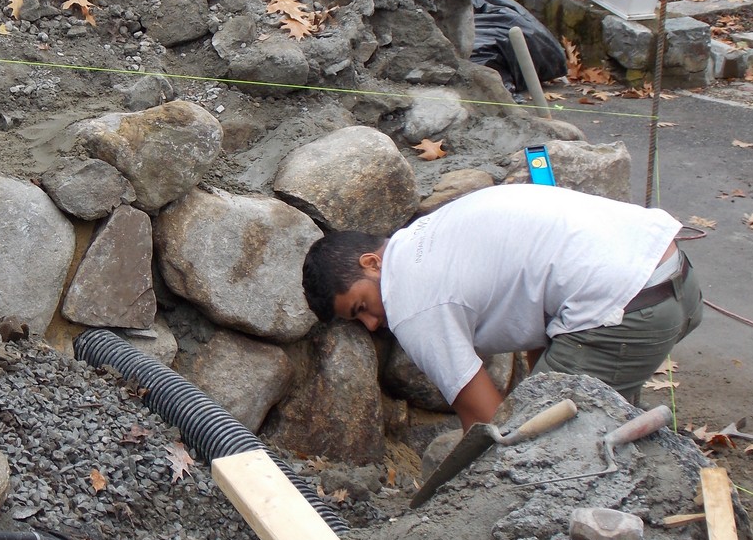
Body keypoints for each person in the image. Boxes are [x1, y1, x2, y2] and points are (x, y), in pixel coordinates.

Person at [301, 184, 703, 430]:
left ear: (371, 263)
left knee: (544, 442)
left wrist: (456, 503)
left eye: (361, 307)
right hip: (675, 279)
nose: (372, 324)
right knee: (594, 423)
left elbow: (486, 421)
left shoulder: (408, 300)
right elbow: (538, 319)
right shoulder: (427, 234)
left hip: (627, 311)